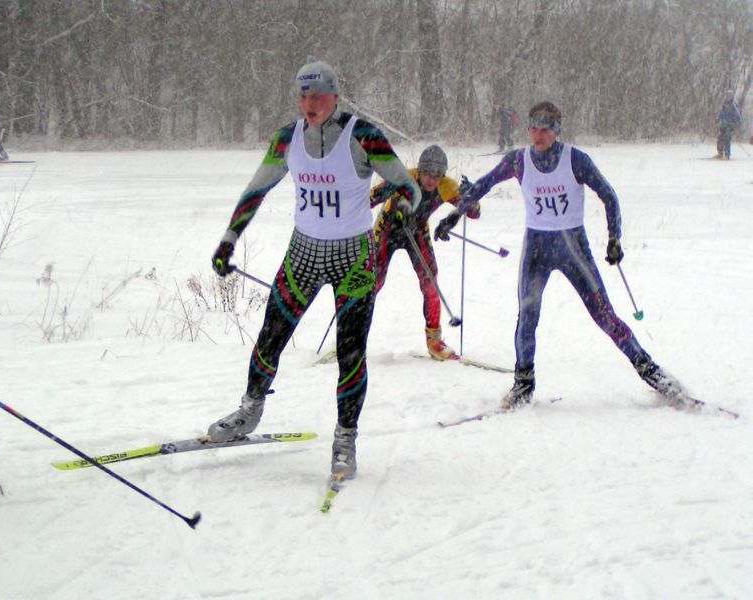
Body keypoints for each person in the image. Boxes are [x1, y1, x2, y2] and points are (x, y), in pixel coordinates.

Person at [206, 61, 421, 481]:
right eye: (303, 95)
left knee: (351, 353)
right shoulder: (288, 139)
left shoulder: (363, 135)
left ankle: (345, 439)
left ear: (335, 97)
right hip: (303, 254)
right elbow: (256, 189)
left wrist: (405, 207)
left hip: (354, 258)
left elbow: (407, 185)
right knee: (271, 336)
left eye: (318, 95)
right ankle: (249, 410)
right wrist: (229, 238)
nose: (310, 103)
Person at [434, 101, 690, 410]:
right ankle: (523, 385)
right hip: (537, 248)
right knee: (527, 316)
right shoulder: (519, 160)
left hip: (572, 247)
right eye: (533, 129)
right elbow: (482, 185)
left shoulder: (575, 160)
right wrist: (454, 216)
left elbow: (608, 195)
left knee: (604, 316)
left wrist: (614, 238)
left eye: (545, 129)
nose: (538, 135)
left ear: (556, 130)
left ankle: (653, 373)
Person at [370, 144, 479, 360]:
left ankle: (435, 341)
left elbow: (474, 213)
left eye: (437, 175)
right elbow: (370, 198)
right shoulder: (403, 178)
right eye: (427, 173)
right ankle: (351, 336)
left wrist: (472, 197)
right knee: (372, 282)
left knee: (431, 281)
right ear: (419, 170)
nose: (431, 180)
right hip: (388, 229)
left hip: (417, 230)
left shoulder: (447, 186)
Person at [716, 90, 741, 160]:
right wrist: (718, 119)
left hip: (729, 126)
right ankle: (720, 153)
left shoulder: (733, 106)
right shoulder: (724, 105)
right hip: (723, 125)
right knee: (720, 138)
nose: (727, 97)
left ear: (731, 97)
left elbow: (737, 116)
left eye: (728, 96)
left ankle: (727, 155)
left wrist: (734, 123)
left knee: (727, 139)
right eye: (726, 96)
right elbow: (722, 113)